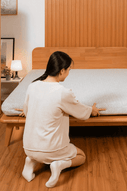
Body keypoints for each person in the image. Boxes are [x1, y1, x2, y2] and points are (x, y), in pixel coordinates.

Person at [19, 51, 105, 188]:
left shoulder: (32, 86)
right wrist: (92, 110)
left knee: (38, 153)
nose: (69, 73)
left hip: (28, 148)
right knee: (81, 156)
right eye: (69, 70)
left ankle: (31, 161)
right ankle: (59, 165)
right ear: (62, 70)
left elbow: (27, 110)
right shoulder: (62, 93)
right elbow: (81, 112)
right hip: (51, 149)